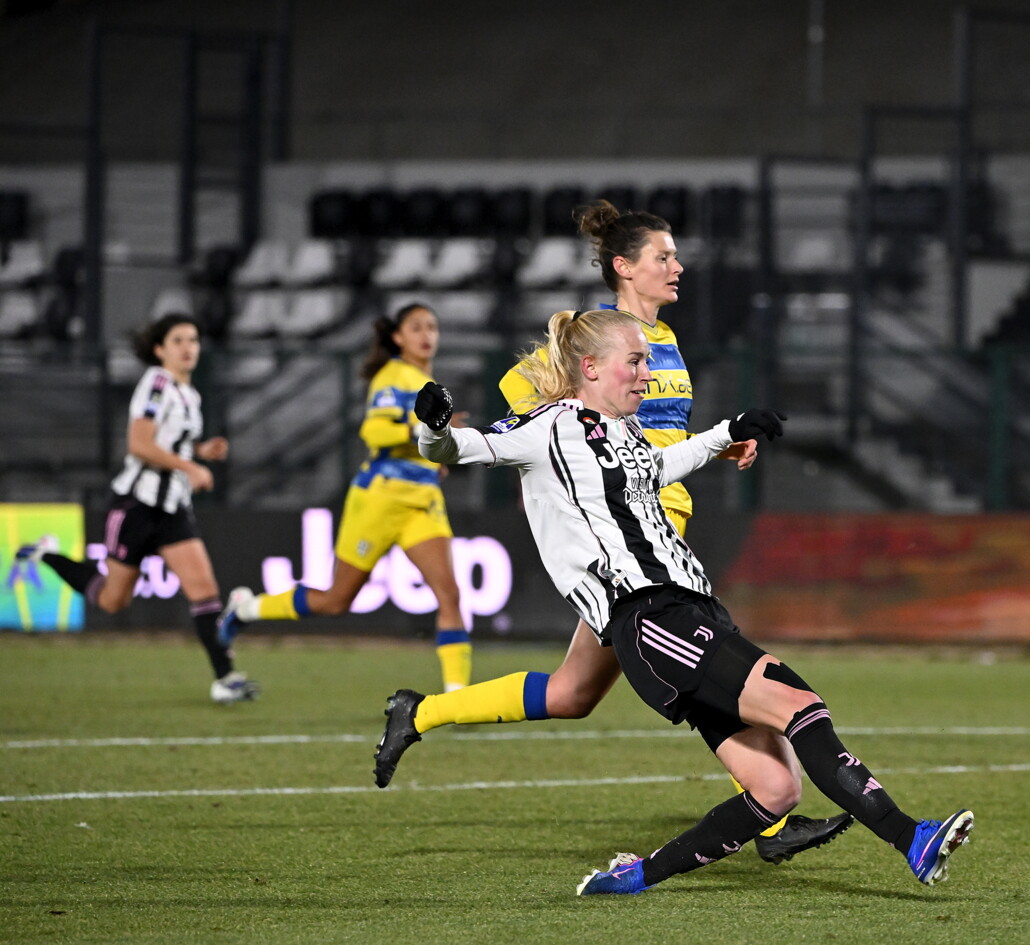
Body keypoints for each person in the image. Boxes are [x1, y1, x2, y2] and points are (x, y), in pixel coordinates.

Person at [374, 309, 974, 895]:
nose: (646, 374)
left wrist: (726, 432)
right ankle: (911, 839)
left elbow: (659, 468)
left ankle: (633, 877)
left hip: (691, 610)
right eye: (636, 362)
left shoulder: (622, 430)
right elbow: (455, 449)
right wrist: (434, 427)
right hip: (651, 616)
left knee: (776, 790)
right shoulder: (545, 427)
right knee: (801, 707)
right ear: (591, 367)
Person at [464, 199, 854, 864]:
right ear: (624, 266)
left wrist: (720, 446)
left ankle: (420, 712)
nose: (678, 266)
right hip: (626, 539)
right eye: (663, 256)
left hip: (667, 522)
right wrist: (554, 449)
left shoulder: (663, 340)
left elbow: (663, 431)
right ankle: (770, 815)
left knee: (578, 692)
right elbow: (522, 395)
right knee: (686, 670)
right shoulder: (593, 338)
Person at [216, 304, 472, 691]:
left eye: (432, 327)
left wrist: (438, 453)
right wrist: (420, 430)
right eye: (416, 327)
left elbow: (418, 441)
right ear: (397, 337)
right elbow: (374, 432)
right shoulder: (393, 375)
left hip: (422, 502)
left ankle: (457, 697)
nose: (427, 335)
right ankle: (247, 608)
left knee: (449, 594)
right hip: (381, 500)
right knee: (336, 600)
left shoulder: (426, 380)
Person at [12, 313, 258, 703]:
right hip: (136, 506)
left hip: (172, 508)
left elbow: (170, 443)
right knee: (113, 600)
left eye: (193, 340)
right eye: (178, 340)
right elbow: (140, 445)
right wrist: (191, 468)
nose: (188, 347)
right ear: (159, 349)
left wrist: (199, 450)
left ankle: (225, 679)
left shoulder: (189, 395)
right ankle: (47, 555)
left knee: (205, 591)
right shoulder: (157, 384)